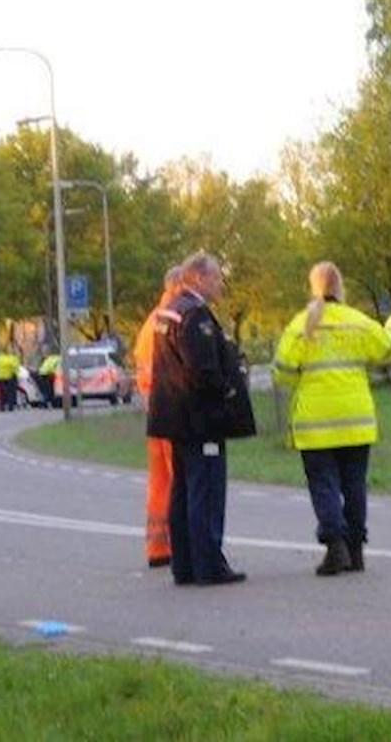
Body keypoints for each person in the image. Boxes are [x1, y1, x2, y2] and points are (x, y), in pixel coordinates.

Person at [271, 261, 391, 576]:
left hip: (315, 422)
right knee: (354, 484)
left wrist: (304, 381)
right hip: (356, 419)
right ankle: (356, 550)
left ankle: (336, 546)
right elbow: (390, 350)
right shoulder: (358, 322)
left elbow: (282, 371)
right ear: (341, 287)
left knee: (324, 485)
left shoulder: (302, 324)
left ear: (313, 287)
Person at [146, 251, 245, 587]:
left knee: (183, 491)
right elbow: (203, 368)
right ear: (199, 278)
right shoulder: (195, 315)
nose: (220, 283)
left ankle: (185, 564)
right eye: (216, 277)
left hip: (173, 416)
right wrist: (228, 390)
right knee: (206, 491)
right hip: (199, 417)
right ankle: (208, 564)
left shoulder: (168, 311)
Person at [132, 266, 185, 569]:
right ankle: (183, 544)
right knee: (181, 481)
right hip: (172, 411)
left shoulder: (151, 321)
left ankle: (158, 546)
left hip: (155, 413)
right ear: (178, 285)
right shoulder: (172, 320)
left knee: (160, 483)